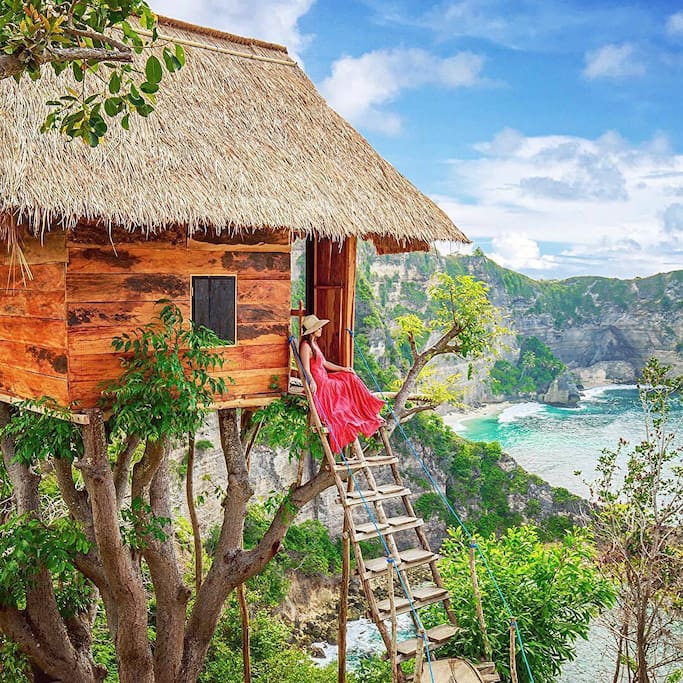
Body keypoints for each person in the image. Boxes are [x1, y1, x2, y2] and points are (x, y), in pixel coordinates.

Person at [299, 314, 385, 452]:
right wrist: (311, 381)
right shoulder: (305, 346)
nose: (321, 329)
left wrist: (343, 368)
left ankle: (367, 405)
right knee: (346, 384)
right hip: (320, 383)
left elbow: (325, 363)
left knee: (349, 376)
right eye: (318, 327)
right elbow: (305, 369)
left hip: (325, 378)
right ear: (312, 330)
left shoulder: (313, 343)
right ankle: (363, 408)